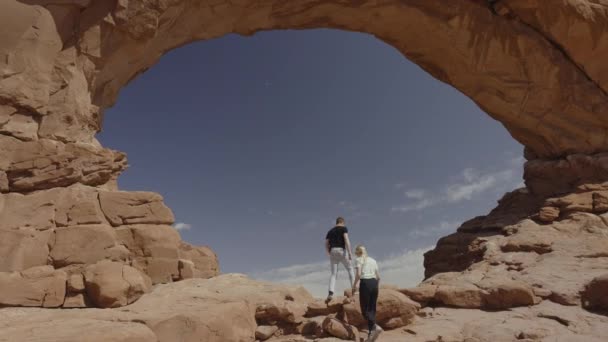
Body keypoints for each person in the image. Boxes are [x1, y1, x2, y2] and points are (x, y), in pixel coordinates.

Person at [353, 244, 382, 342]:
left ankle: (375, 327)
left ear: (358, 252)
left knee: (365, 310)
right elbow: (378, 277)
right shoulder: (373, 260)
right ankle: (371, 334)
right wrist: (376, 286)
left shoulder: (359, 259)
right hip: (374, 283)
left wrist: (354, 285)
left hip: (365, 283)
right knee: (372, 309)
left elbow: (359, 274)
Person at [325, 217, 354, 304]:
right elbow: (346, 239)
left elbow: (326, 243)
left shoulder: (330, 231)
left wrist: (328, 252)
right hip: (341, 250)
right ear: (342, 222)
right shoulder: (343, 228)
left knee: (333, 274)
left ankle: (330, 293)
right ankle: (355, 290)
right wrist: (349, 252)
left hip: (333, 251)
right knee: (350, 269)